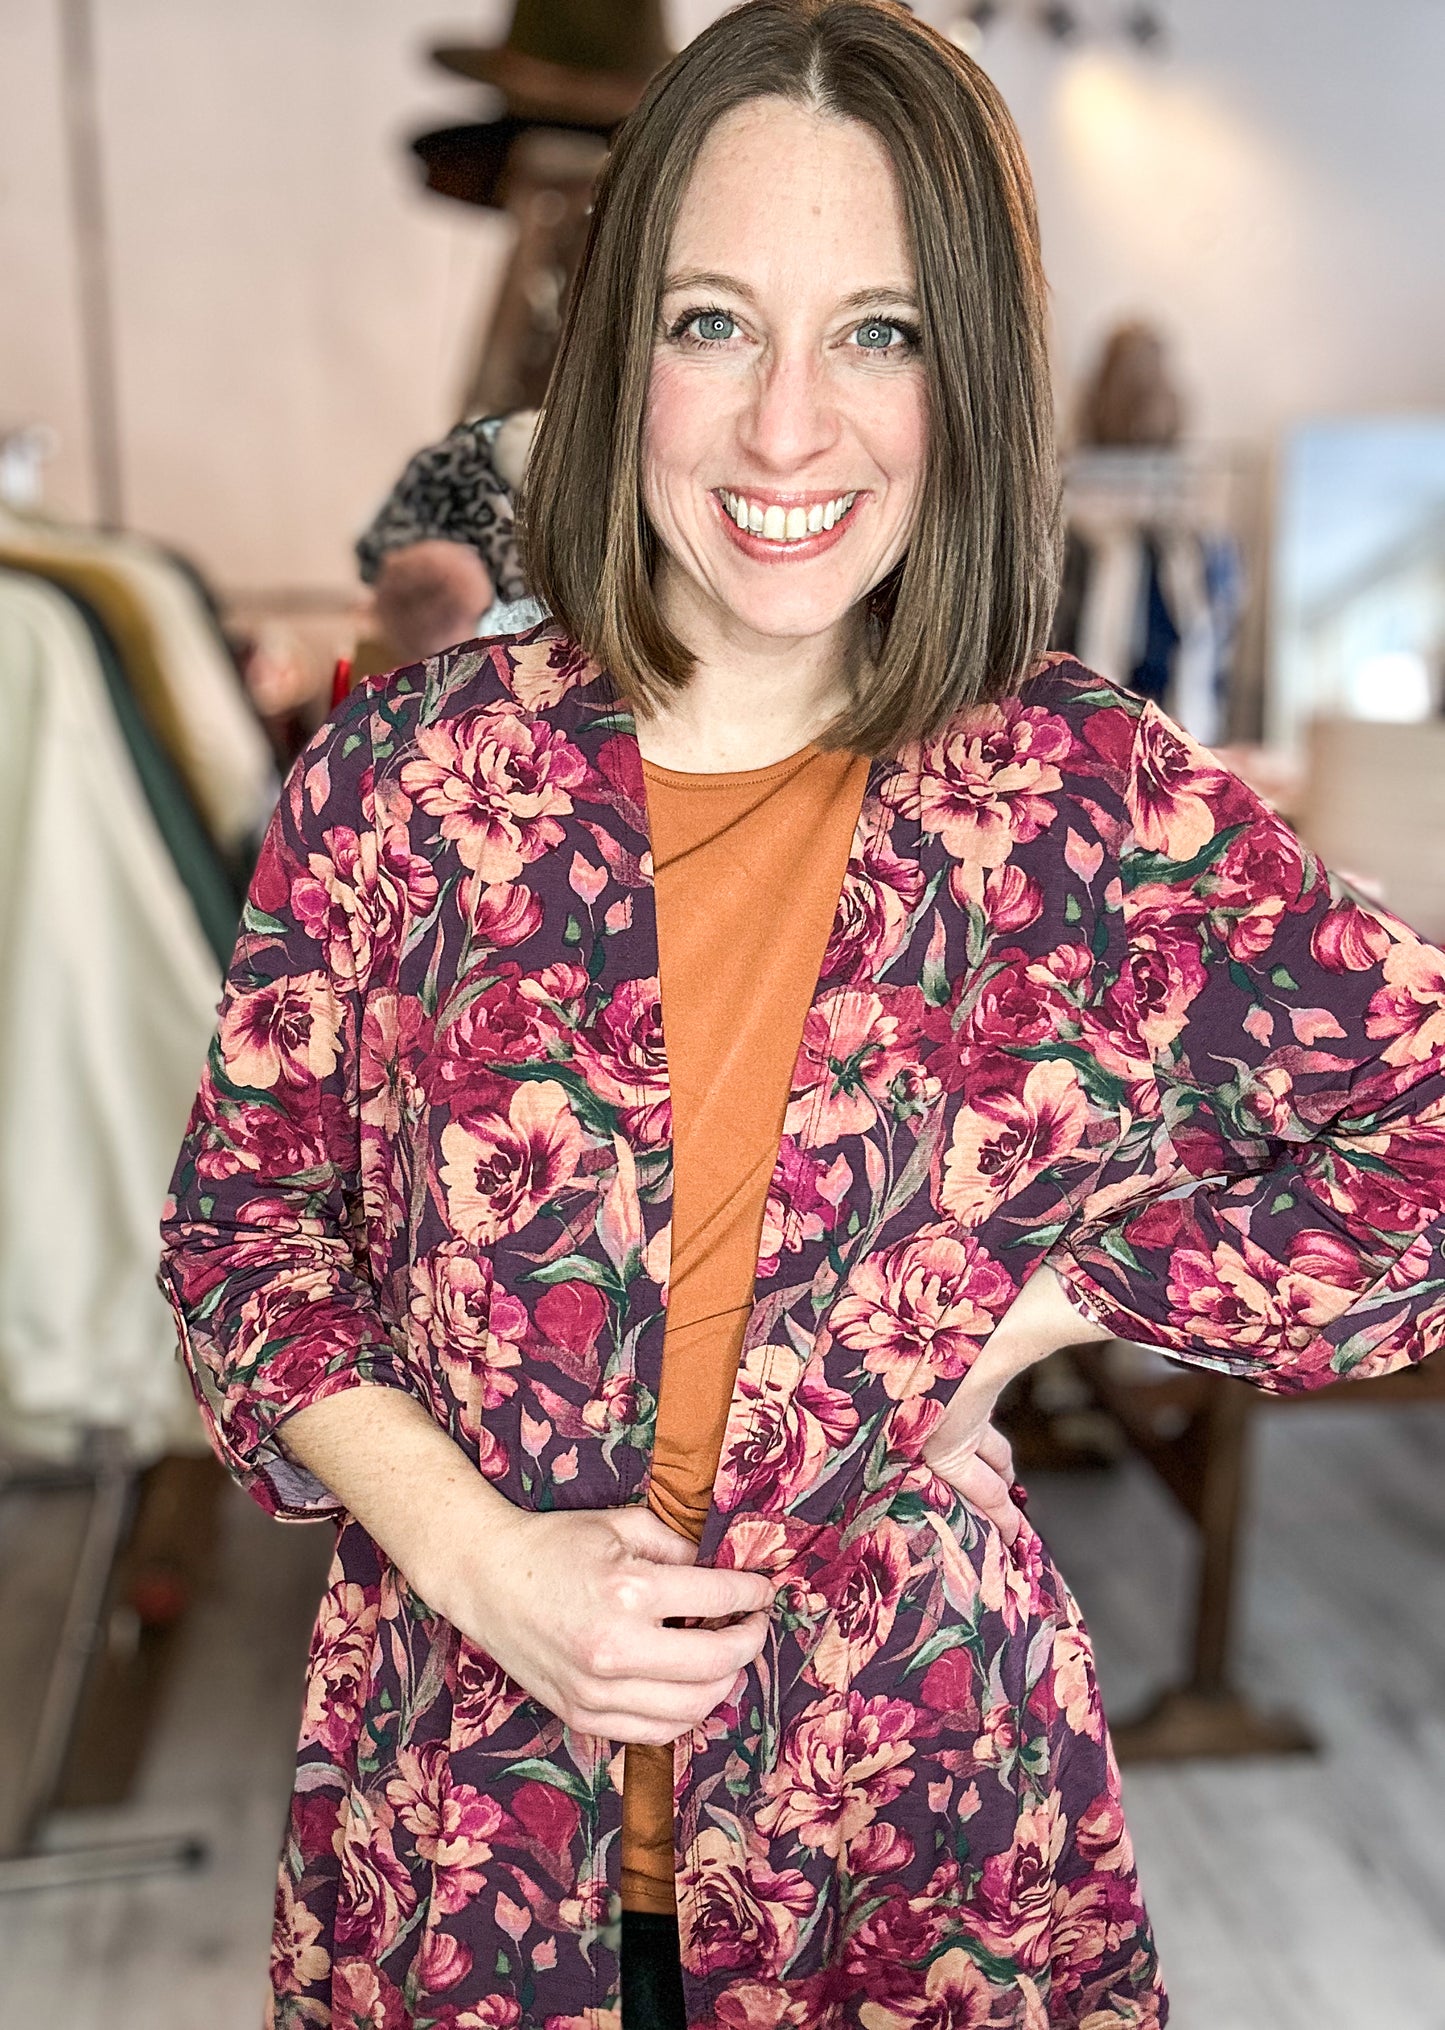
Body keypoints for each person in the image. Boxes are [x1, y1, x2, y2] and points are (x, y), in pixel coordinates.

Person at [158, 4, 1445, 2025]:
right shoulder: (411, 778)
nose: (784, 430)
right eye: (711, 323)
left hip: (921, 1836)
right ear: (617, 352)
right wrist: (492, 1561)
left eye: (881, 331)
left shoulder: (1080, 802)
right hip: (460, 1825)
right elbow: (243, 1247)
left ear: (976, 372)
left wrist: (1033, 1308)